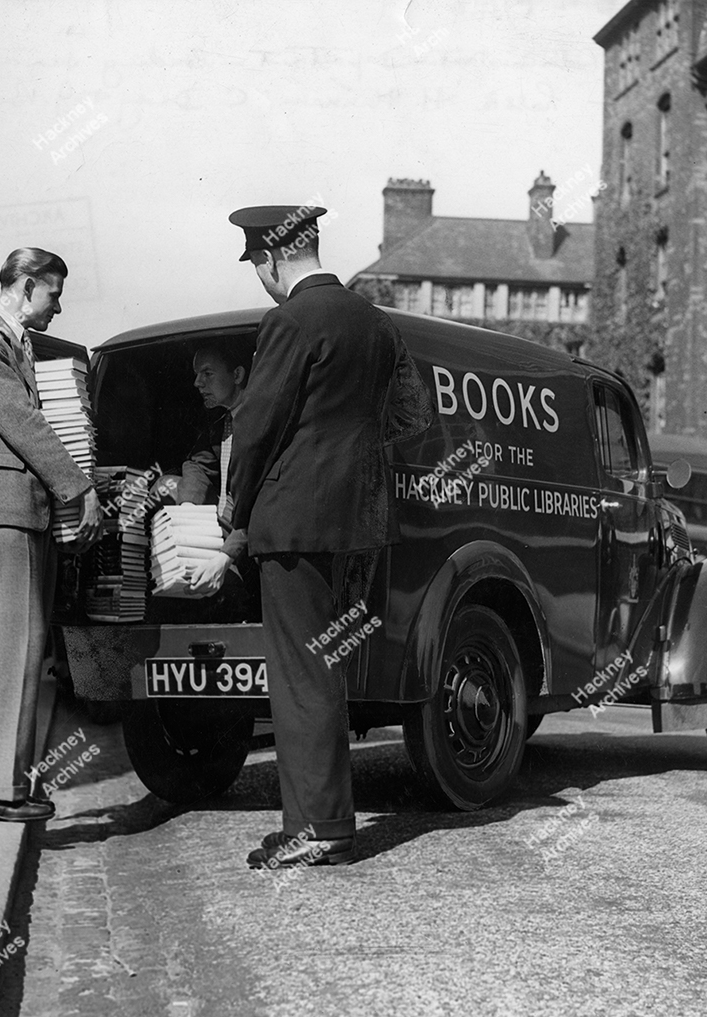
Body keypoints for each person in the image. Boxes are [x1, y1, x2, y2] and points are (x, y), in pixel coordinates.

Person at [227, 204, 433, 868]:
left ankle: (317, 829)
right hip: (359, 522)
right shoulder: (376, 323)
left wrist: (236, 506)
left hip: (295, 521)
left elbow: (257, 425)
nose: (260, 278)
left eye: (258, 265)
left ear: (271, 259)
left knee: (298, 673)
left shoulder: (288, 320)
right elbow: (411, 417)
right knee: (327, 667)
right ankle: (322, 820)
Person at [0, 247, 103, 822]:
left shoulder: (10, 343)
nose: (58, 308)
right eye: (54, 294)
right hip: (5, 509)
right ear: (27, 284)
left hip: (15, 508)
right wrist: (78, 487)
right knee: (13, 647)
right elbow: (21, 419)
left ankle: (4, 782)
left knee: (19, 646)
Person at [150, 345, 254, 606]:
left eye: (207, 373)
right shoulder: (220, 422)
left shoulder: (259, 422)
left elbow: (256, 500)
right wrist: (187, 513)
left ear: (238, 375)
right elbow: (198, 463)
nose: (197, 383)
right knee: (165, 486)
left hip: (250, 529)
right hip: (222, 525)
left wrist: (226, 553)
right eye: (197, 374)